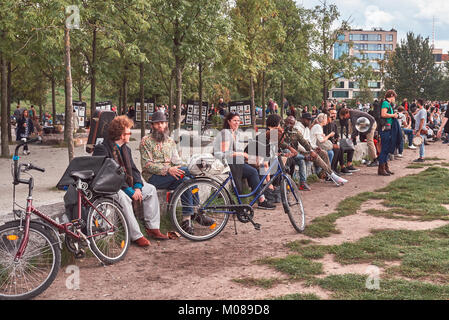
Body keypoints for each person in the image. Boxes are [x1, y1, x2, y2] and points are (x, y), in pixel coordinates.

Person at [93, 115, 168, 247]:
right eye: (129, 132)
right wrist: (129, 190)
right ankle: (136, 235)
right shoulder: (103, 148)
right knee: (124, 198)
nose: (130, 134)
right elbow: (108, 174)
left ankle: (152, 228)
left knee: (150, 189)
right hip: (108, 187)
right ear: (121, 134)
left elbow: (134, 170)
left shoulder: (125, 149)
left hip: (125, 184)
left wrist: (138, 187)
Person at [140, 111, 215, 235]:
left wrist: (186, 165)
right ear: (152, 125)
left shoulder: (170, 141)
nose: (160, 126)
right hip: (154, 178)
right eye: (157, 123)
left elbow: (177, 162)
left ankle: (186, 220)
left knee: (187, 181)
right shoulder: (145, 141)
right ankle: (197, 213)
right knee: (192, 172)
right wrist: (168, 170)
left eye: (163, 123)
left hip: (172, 176)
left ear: (166, 124)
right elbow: (147, 165)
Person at [214, 112, 275, 210]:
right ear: (229, 121)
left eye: (238, 120)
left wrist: (251, 158)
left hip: (236, 161)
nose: (237, 123)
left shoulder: (236, 134)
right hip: (226, 162)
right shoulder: (225, 133)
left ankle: (257, 196)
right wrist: (244, 155)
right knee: (253, 172)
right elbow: (225, 153)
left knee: (260, 165)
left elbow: (239, 153)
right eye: (234, 120)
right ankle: (261, 199)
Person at [324, 109, 359, 175]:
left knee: (350, 146)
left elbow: (337, 136)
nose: (334, 115)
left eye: (335, 113)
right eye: (332, 113)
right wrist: (333, 143)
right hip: (327, 144)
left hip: (334, 142)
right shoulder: (326, 124)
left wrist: (337, 140)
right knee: (339, 149)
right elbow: (325, 137)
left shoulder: (334, 124)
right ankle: (335, 168)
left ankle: (349, 165)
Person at [378, 90, 399, 176]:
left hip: (388, 128)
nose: (394, 99)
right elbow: (383, 114)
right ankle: (381, 169)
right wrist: (393, 115)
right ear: (391, 96)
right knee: (385, 148)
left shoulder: (387, 104)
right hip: (385, 128)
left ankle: (385, 167)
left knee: (386, 148)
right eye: (394, 97)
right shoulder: (386, 103)